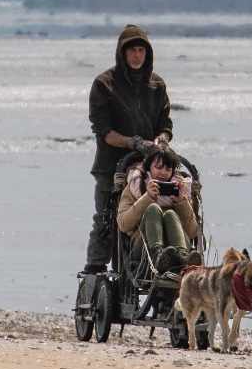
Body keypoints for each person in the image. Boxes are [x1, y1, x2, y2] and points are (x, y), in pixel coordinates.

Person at [80, 24, 175, 274]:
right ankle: (95, 269)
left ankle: (152, 263)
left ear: (148, 53)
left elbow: (165, 125)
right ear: (122, 53)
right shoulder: (104, 84)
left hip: (150, 167)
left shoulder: (157, 85)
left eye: (141, 50)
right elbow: (104, 132)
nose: (137, 55)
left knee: (156, 211)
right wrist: (134, 142)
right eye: (132, 50)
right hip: (111, 166)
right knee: (106, 219)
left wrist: (161, 140)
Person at [116, 150, 199, 268]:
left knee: (170, 213)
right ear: (149, 167)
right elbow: (123, 224)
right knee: (153, 209)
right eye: (158, 167)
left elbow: (192, 232)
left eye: (167, 169)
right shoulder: (136, 186)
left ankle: (182, 258)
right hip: (144, 247)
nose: (163, 173)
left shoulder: (182, 189)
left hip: (177, 246)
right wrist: (147, 198)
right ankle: (158, 255)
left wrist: (181, 202)